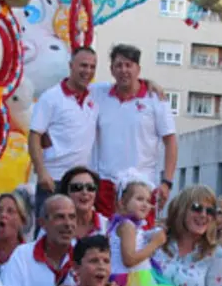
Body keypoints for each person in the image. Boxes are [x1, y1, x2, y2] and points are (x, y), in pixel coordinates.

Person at [92, 44, 177, 220]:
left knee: (140, 236)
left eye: (128, 65)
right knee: (105, 236)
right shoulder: (99, 94)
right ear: (111, 69)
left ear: (138, 69)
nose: (123, 70)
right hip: (107, 186)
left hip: (143, 186)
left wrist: (167, 182)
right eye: (118, 65)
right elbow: (76, 85)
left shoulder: (155, 98)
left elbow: (170, 141)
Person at [30, 47, 99, 198]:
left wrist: (147, 83)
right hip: (54, 179)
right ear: (71, 65)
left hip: (80, 183)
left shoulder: (95, 96)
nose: (87, 71)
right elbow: (34, 136)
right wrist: (41, 172)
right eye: (83, 65)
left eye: (92, 67)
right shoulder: (50, 97)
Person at [59, 165, 109, 239]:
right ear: (66, 193)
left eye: (90, 187)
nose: (85, 192)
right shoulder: (53, 226)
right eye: (77, 187)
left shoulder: (108, 226)